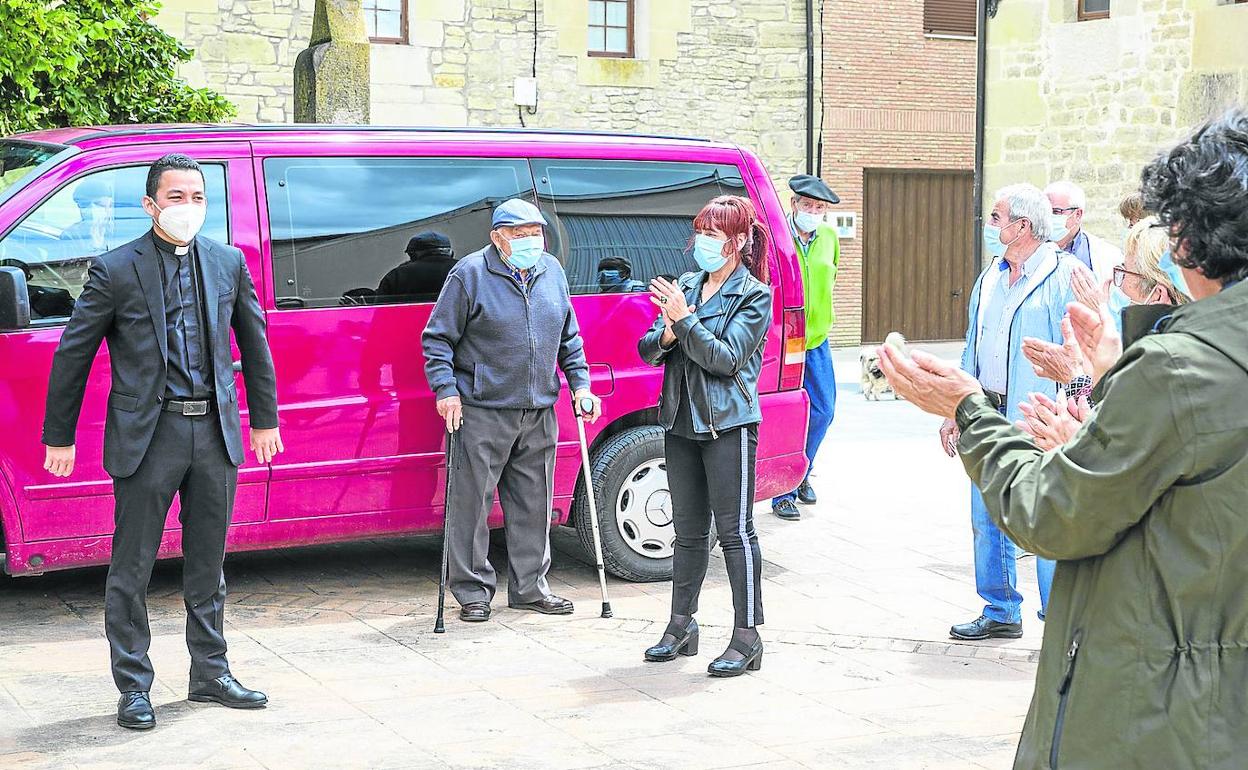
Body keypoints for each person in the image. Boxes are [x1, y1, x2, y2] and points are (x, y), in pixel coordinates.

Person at [877, 108, 1248, 770]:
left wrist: (966, 409)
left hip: (1156, 706)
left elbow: (1054, 513)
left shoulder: (1180, 366)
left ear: (1191, 238)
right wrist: (1105, 391)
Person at [40, 154, 283, 731]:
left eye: (198, 197)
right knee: (133, 564)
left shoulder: (227, 263)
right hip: (149, 434)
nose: (189, 208)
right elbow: (73, 353)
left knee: (209, 561)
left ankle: (211, 672)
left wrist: (264, 420)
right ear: (151, 206)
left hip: (215, 431)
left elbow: (255, 341)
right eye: (177, 198)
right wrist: (59, 435)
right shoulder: (115, 269)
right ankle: (133, 685)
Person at [422, 198, 601, 623]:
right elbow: (437, 339)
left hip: (539, 407)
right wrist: (446, 390)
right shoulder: (469, 274)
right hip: (481, 409)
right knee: (470, 505)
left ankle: (530, 588)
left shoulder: (552, 271)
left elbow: (569, 338)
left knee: (534, 504)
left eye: (536, 233)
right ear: (497, 237)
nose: (531, 241)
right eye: (520, 235)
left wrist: (581, 385)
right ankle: (471, 591)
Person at [638, 195, 772, 677]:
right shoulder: (688, 286)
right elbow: (649, 348)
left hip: (728, 424)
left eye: (714, 235)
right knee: (687, 532)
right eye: (700, 232)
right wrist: (672, 329)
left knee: (735, 532)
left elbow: (726, 359)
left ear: (738, 241)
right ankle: (680, 626)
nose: (703, 243)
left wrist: (684, 319)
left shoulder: (754, 295)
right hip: (680, 421)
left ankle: (747, 634)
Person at [944, 183, 1077, 641]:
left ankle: (1059, 621)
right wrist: (955, 409)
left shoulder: (1064, 275)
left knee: (1044, 516)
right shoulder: (990, 277)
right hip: (987, 411)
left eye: (997, 218)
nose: (989, 226)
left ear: (1023, 225)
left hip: (1041, 416)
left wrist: (1071, 408)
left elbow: (1081, 352)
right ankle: (1000, 608)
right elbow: (972, 346)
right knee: (987, 515)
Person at [770, 174, 840, 521]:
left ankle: (801, 472)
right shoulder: (776, 235)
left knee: (824, 411)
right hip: (783, 342)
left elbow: (831, 276)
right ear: (793, 203)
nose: (813, 212)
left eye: (819, 208)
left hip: (815, 340)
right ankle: (781, 490)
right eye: (808, 205)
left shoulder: (828, 236)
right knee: (787, 414)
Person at [1045, 180, 1122, 284]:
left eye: (1056, 212)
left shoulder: (1108, 256)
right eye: (1045, 211)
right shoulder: (1028, 250)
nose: (1048, 217)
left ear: (1078, 215)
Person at [376, 232, 456, 304]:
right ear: (451, 253)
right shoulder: (463, 270)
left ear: (412, 255)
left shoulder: (397, 275)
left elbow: (379, 310)